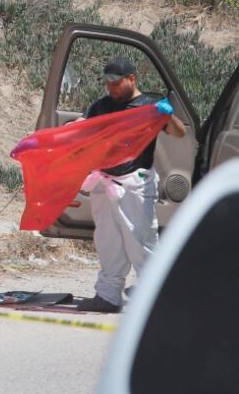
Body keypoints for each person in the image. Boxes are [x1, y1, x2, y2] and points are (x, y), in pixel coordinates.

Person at [76, 57, 185, 313]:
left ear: (132, 79)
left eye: (115, 83)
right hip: (105, 182)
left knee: (141, 240)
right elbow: (81, 132)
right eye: (107, 84)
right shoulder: (101, 107)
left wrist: (168, 116)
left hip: (135, 182)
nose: (111, 88)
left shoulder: (150, 106)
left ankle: (154, 299)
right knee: (107, 241)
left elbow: (179, 133)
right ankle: (108, 296)